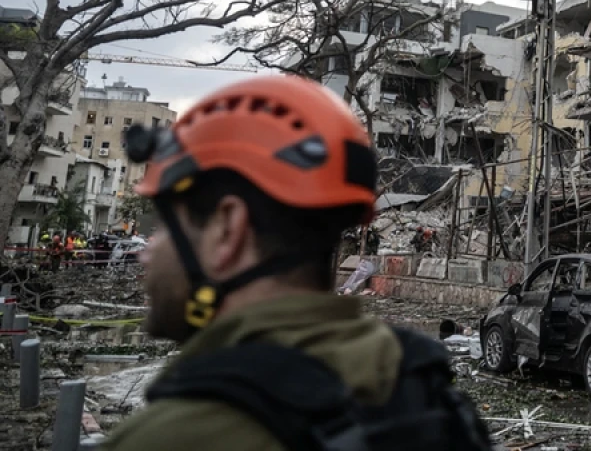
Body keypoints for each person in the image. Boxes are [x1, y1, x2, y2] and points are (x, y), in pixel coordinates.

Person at [105, 75, 492, 451]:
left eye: (167, 225)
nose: (146, 251)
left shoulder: (176, 436)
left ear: (228, 229)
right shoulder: (431, 399)